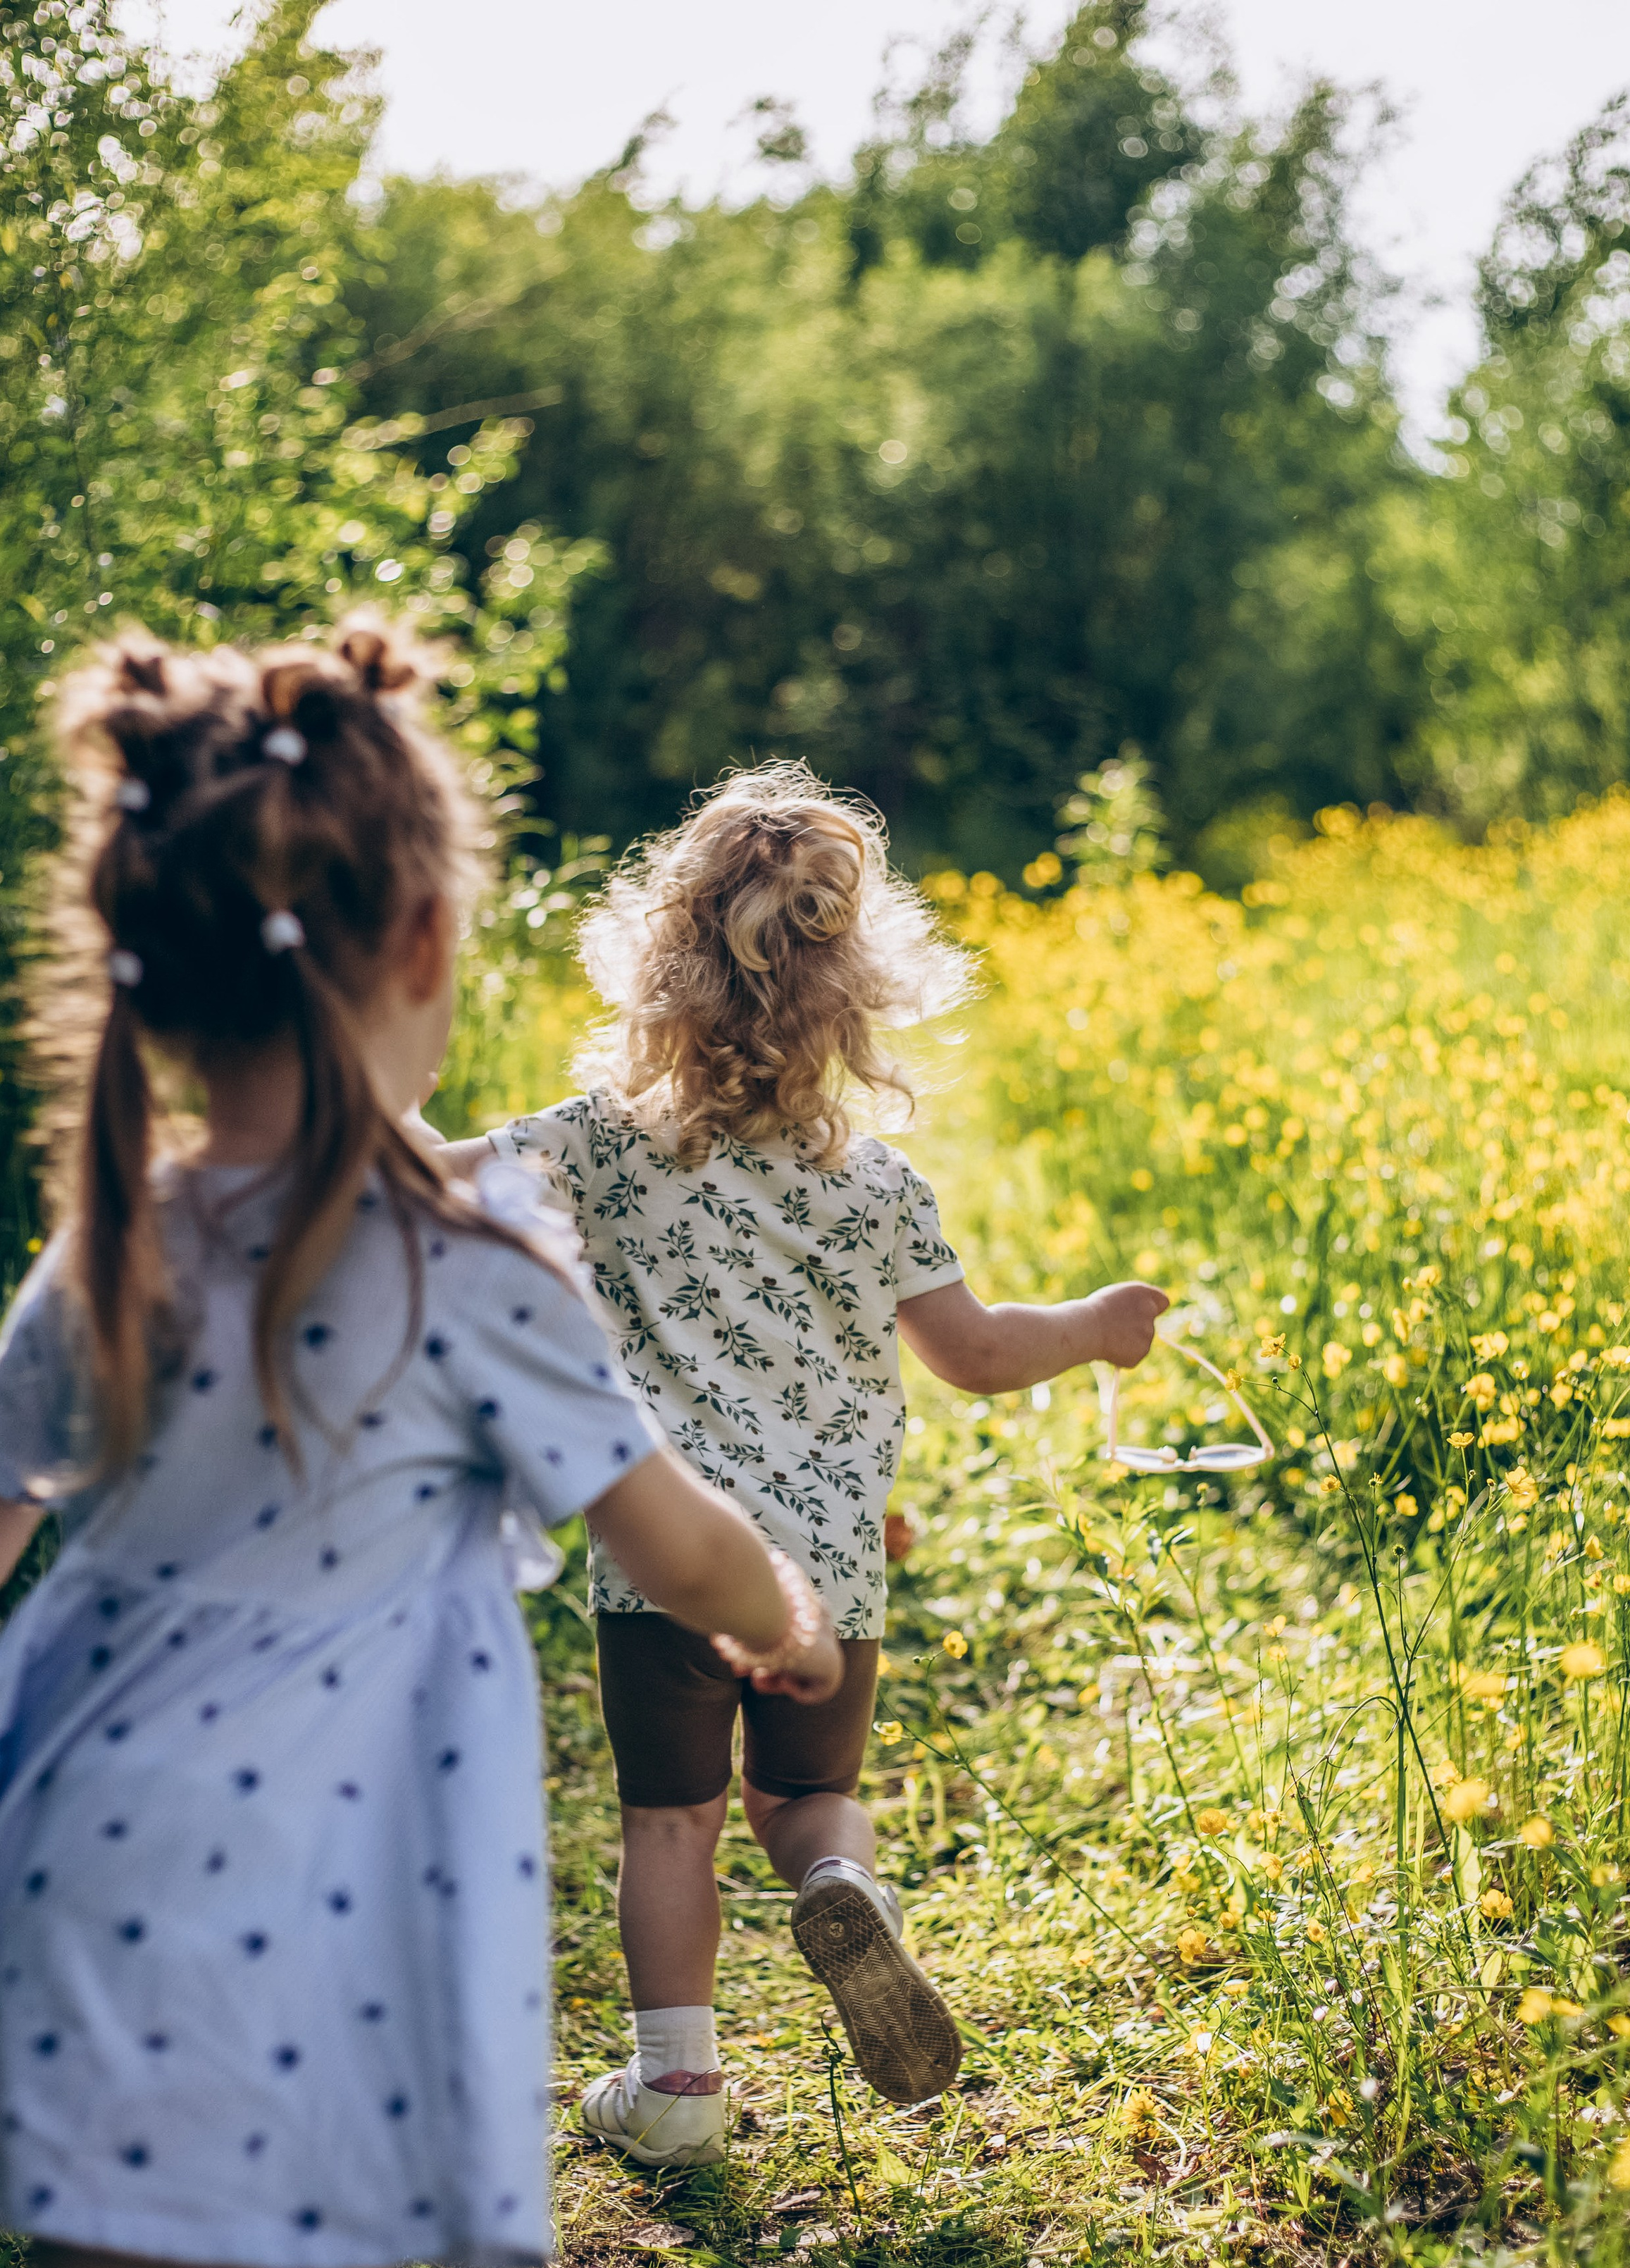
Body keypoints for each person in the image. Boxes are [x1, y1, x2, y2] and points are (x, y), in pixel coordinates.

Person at [0, 634, 840, 2268]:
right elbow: (665, 1532)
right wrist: (772, 1610)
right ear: (424, 931)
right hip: (299, 1889)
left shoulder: (118, 1240)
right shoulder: (468, 1258)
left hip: (66, 1872)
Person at [438, 762, 1166, 2170]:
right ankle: (840, 1881)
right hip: (829, 1570)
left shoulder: (598, 1150)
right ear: (855, 1002)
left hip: (670, 1559)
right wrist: (1090, 1327)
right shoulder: (875, 1187)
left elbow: (431, 1186)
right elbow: (970, 1349)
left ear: (658, 970)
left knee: (670, 1823)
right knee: (800, 1796)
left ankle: (675, 2094)